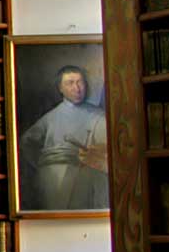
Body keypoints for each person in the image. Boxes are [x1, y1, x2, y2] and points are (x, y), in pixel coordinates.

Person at [18, 65, 109, 210]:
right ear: (60, 88)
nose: (77, 88)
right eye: (70, 83)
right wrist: (41, 163)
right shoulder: (51, 117)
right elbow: (26, 142)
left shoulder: (99, 115)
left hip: (88, 177)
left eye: (80, 82)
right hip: (52, 180)